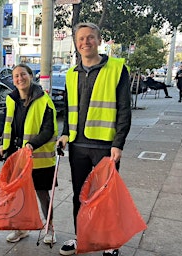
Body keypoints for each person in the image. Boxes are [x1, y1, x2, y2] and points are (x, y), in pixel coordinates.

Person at [56, 23, 132, 256]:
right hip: (78, 146)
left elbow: (123, 109)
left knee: (106, 198)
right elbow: (70, 109)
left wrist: (118, 143)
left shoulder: (117, 69)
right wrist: (65, 134)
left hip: (105, 147)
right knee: (80, 195)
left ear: (99, 41)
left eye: (90, 38)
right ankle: (82, 238)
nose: (85, 42)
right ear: (76, 43)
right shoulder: (71, 73)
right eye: (81, 39)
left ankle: (110, 243)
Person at [0, 63, 58, 245]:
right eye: (16, 76)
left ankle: (50, 228)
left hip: (38, 159)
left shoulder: (44, 100)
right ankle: (20, 228)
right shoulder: (11, 100)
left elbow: (49, 130)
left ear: (31, 76)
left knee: (42, 195)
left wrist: (32, 144)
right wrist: (2, 145)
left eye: (23, 74)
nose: (20, 78)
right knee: (17, 196)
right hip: (16, 157)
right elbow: (7, 126)